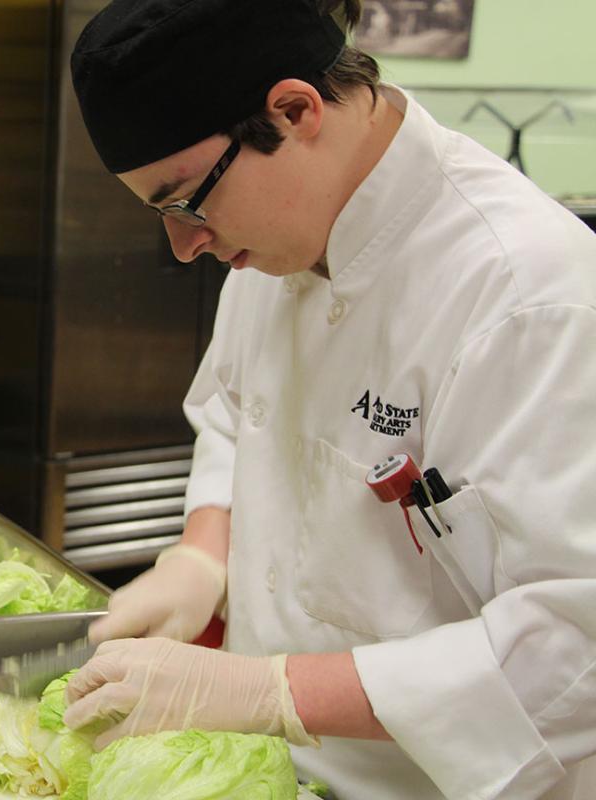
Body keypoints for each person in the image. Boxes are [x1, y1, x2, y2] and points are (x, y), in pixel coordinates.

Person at [61, 1, 596, 798]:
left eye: (187, 201)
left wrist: (273, 692)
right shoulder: (280, 238)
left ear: (294, 111)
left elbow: (574, 648)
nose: (186, 244)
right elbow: (238, 414)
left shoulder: (528, 294)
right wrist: (203, 555)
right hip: (264, 770)